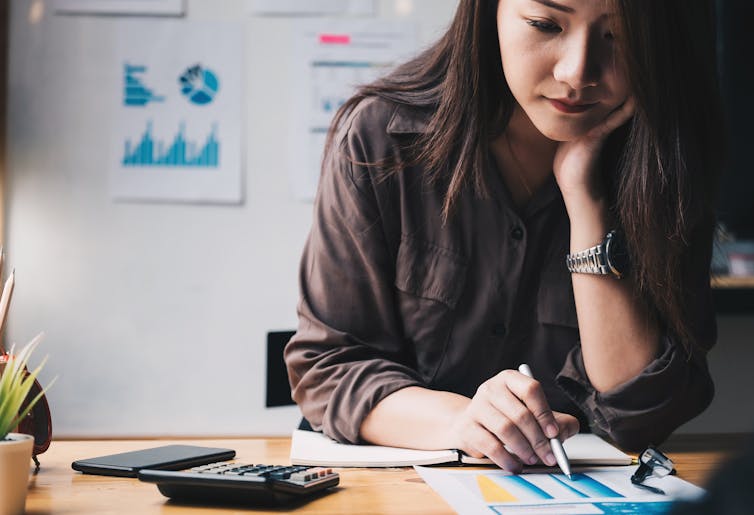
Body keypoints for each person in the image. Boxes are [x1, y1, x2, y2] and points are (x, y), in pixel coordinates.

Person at [285, 0, 724, 473]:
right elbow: (328, 367)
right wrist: (464, 421)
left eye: (618, 36)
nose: (577, 72)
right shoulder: (381, 138)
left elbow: (643, 414)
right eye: (544, 24)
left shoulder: (667, 159)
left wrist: (584, 200)